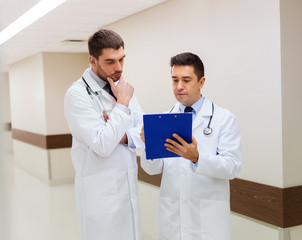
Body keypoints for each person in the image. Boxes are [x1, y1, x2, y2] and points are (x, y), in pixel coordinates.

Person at [140, 52, 242, 240]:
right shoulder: (163, 119)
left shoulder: (223, 119)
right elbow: (152, 169)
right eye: (175, 80)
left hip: (207, 223)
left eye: (186, 80)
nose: (179, 86)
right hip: (173, 220)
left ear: (201, 82)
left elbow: (232, 167)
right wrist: (149, 146)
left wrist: (197, 158)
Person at [64, 29, 144, 240]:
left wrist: (123, 136)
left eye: (121, 59)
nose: (118, 68)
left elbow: (143, 133)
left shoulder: (122, 87)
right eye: (110, 62)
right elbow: (102, 144)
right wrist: (123, 105)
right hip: (100, 196)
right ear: (93, 60)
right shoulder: (77, 94)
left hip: (127, 190)